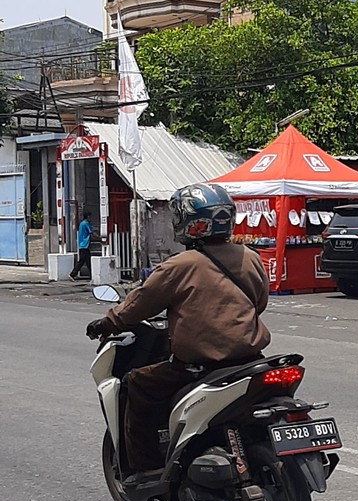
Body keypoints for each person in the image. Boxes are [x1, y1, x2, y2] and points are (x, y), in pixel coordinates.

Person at [86, 183, 270, 484]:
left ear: (188, 222)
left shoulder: (180, 265)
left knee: (137, 384)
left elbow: (139, 305)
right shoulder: (250, 257)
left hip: (198, 367)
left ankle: (146, 470)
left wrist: (107, 323)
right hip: (251, 359)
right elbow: (259, 302)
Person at [71, 210, 93, 280]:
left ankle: (92, 275)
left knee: (87, 261)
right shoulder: (86, 223)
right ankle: (72, 274)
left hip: (82, 245)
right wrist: (100, 238)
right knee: (82, 261)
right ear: (88, 217)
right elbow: (91, 232)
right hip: (84, 245)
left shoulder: (81, 224)